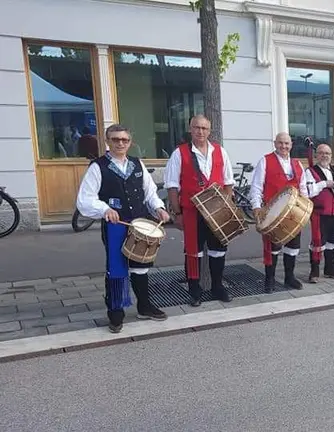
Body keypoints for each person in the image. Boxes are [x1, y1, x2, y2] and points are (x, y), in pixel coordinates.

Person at [76, 124, 171, 333]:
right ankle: (116, 313)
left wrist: (159, 208)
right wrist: (104, 209)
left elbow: (150, 193)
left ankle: (144, 306)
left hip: (140, 223)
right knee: (117, 268)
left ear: (130, 142)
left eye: (124, 140)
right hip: (115, 226)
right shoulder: (98, 167)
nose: (120, 143)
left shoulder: (138, 164)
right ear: (108, 142)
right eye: (115, 139)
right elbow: (84, 200)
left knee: (140, 264)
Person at [165, 115, 236, 307]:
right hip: (191, 212)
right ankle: (194, 290)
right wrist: (177, 214)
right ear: (190, 129)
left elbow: (228, 182)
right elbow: (172, 186)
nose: (200, 131)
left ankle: (217, 287)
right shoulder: (179, 153)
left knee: (218, 251)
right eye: (196, 127)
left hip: (216, 212)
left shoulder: (220, 151)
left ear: (209, 131)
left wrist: (226, 208)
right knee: (192, 252)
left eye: (204, 128)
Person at [249, 132, 309, 291]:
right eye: (281, 143)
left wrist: (305, 207)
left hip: (293, 213)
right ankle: (270, 279)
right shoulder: (265, 161)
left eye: (287, 144)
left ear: (291, 145)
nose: (284, 146)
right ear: (275, 143)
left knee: (293, 246)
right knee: (272, 247)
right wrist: (256, 208)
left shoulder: (297, 164)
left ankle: (289, 277)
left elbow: (303, 189)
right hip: (272, 213)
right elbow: (256, 187)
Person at [305, 143, 334, 283]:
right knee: (318, 242)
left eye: (327, 153)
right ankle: (314, 270)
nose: (324, 155)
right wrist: (325, 184)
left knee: (332, 240)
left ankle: (329, 268)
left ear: (331, 156)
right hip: (319, 213)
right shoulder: (310, 171)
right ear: (316, 155)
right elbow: (309, 191)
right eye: (321, 153)